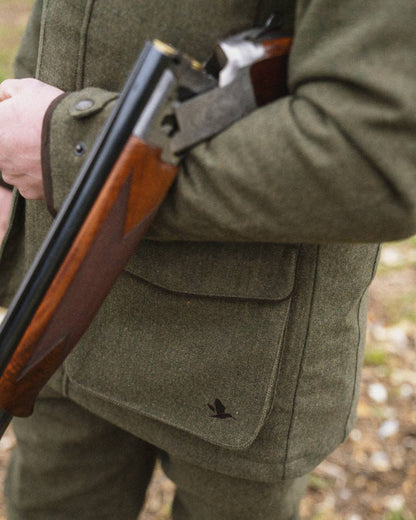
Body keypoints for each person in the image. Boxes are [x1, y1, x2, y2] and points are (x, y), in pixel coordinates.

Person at [0, 0, 415, 518]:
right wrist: (9, 170)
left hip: (244, 363)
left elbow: (371, 159)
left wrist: (67, 149)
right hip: (52, 316)